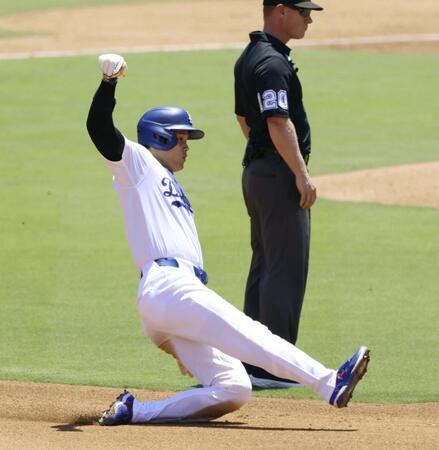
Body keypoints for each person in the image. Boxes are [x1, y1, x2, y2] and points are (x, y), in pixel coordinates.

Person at [86, 53, 369, 426]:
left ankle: (135, 410)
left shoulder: (164, 181)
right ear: (161, 136)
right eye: (183, 137)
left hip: (170, 301)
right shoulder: (137, 164)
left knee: (234, 387)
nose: (187, 145)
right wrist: (109, 84)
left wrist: (178, 334)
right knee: (251, 333)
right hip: (168, 287)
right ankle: (330, 382)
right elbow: (100, 130)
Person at [234, 0, 323, 388]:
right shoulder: (271, 63)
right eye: (304, 12)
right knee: (284, 269)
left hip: (258, 172)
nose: (309, 19)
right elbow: (276, 120)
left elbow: (242, 118)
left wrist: (264, 159)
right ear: (280, 10)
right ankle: (276, 366)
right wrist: (298, 174)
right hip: (277, 174)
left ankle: (255, 360)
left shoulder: (250, 55)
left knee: (265, 265)